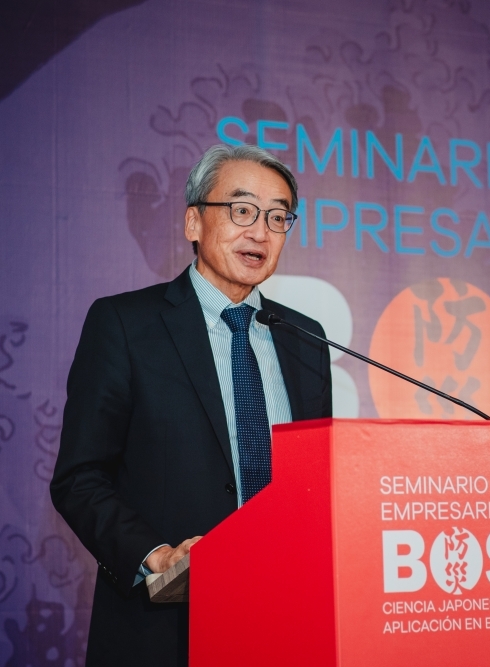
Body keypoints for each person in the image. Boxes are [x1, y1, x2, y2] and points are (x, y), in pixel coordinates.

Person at [50, 144, 332, 666]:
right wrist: (157, 556)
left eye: (278, 217)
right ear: (193, 222)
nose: (261, 231)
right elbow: (80, 477)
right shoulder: (125, 325)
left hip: (285, 620)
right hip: (164, 627)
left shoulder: (306, 338)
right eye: (242, 210)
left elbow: (313, 482)